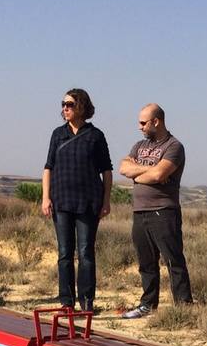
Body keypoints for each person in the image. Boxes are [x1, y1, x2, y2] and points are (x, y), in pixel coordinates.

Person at [117, 104, 193, 319]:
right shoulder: (139, 145)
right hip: (140, 212)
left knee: (173, 260)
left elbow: (159, 175)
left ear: (156, 121)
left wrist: (140, 172)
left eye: (143, 123)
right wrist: (148, 171)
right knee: (146, 262)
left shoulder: (174, 146)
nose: (139, 127)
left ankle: (184, 308)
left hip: (164, 211)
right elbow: (123, 167)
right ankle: (148, 304)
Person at [41, 88, 112, 311]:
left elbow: (107, 171)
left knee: (85, 252)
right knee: (64, 253)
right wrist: (45, 197)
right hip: (61, 201)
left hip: (88, 202)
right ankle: (66, 301)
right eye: (63, 104)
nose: (64, 109)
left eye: (69, 105)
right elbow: (48, 167)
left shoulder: (95, 136)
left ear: (81, 106)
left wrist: (106, 200)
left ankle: (87, 301)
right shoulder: (57, 134)